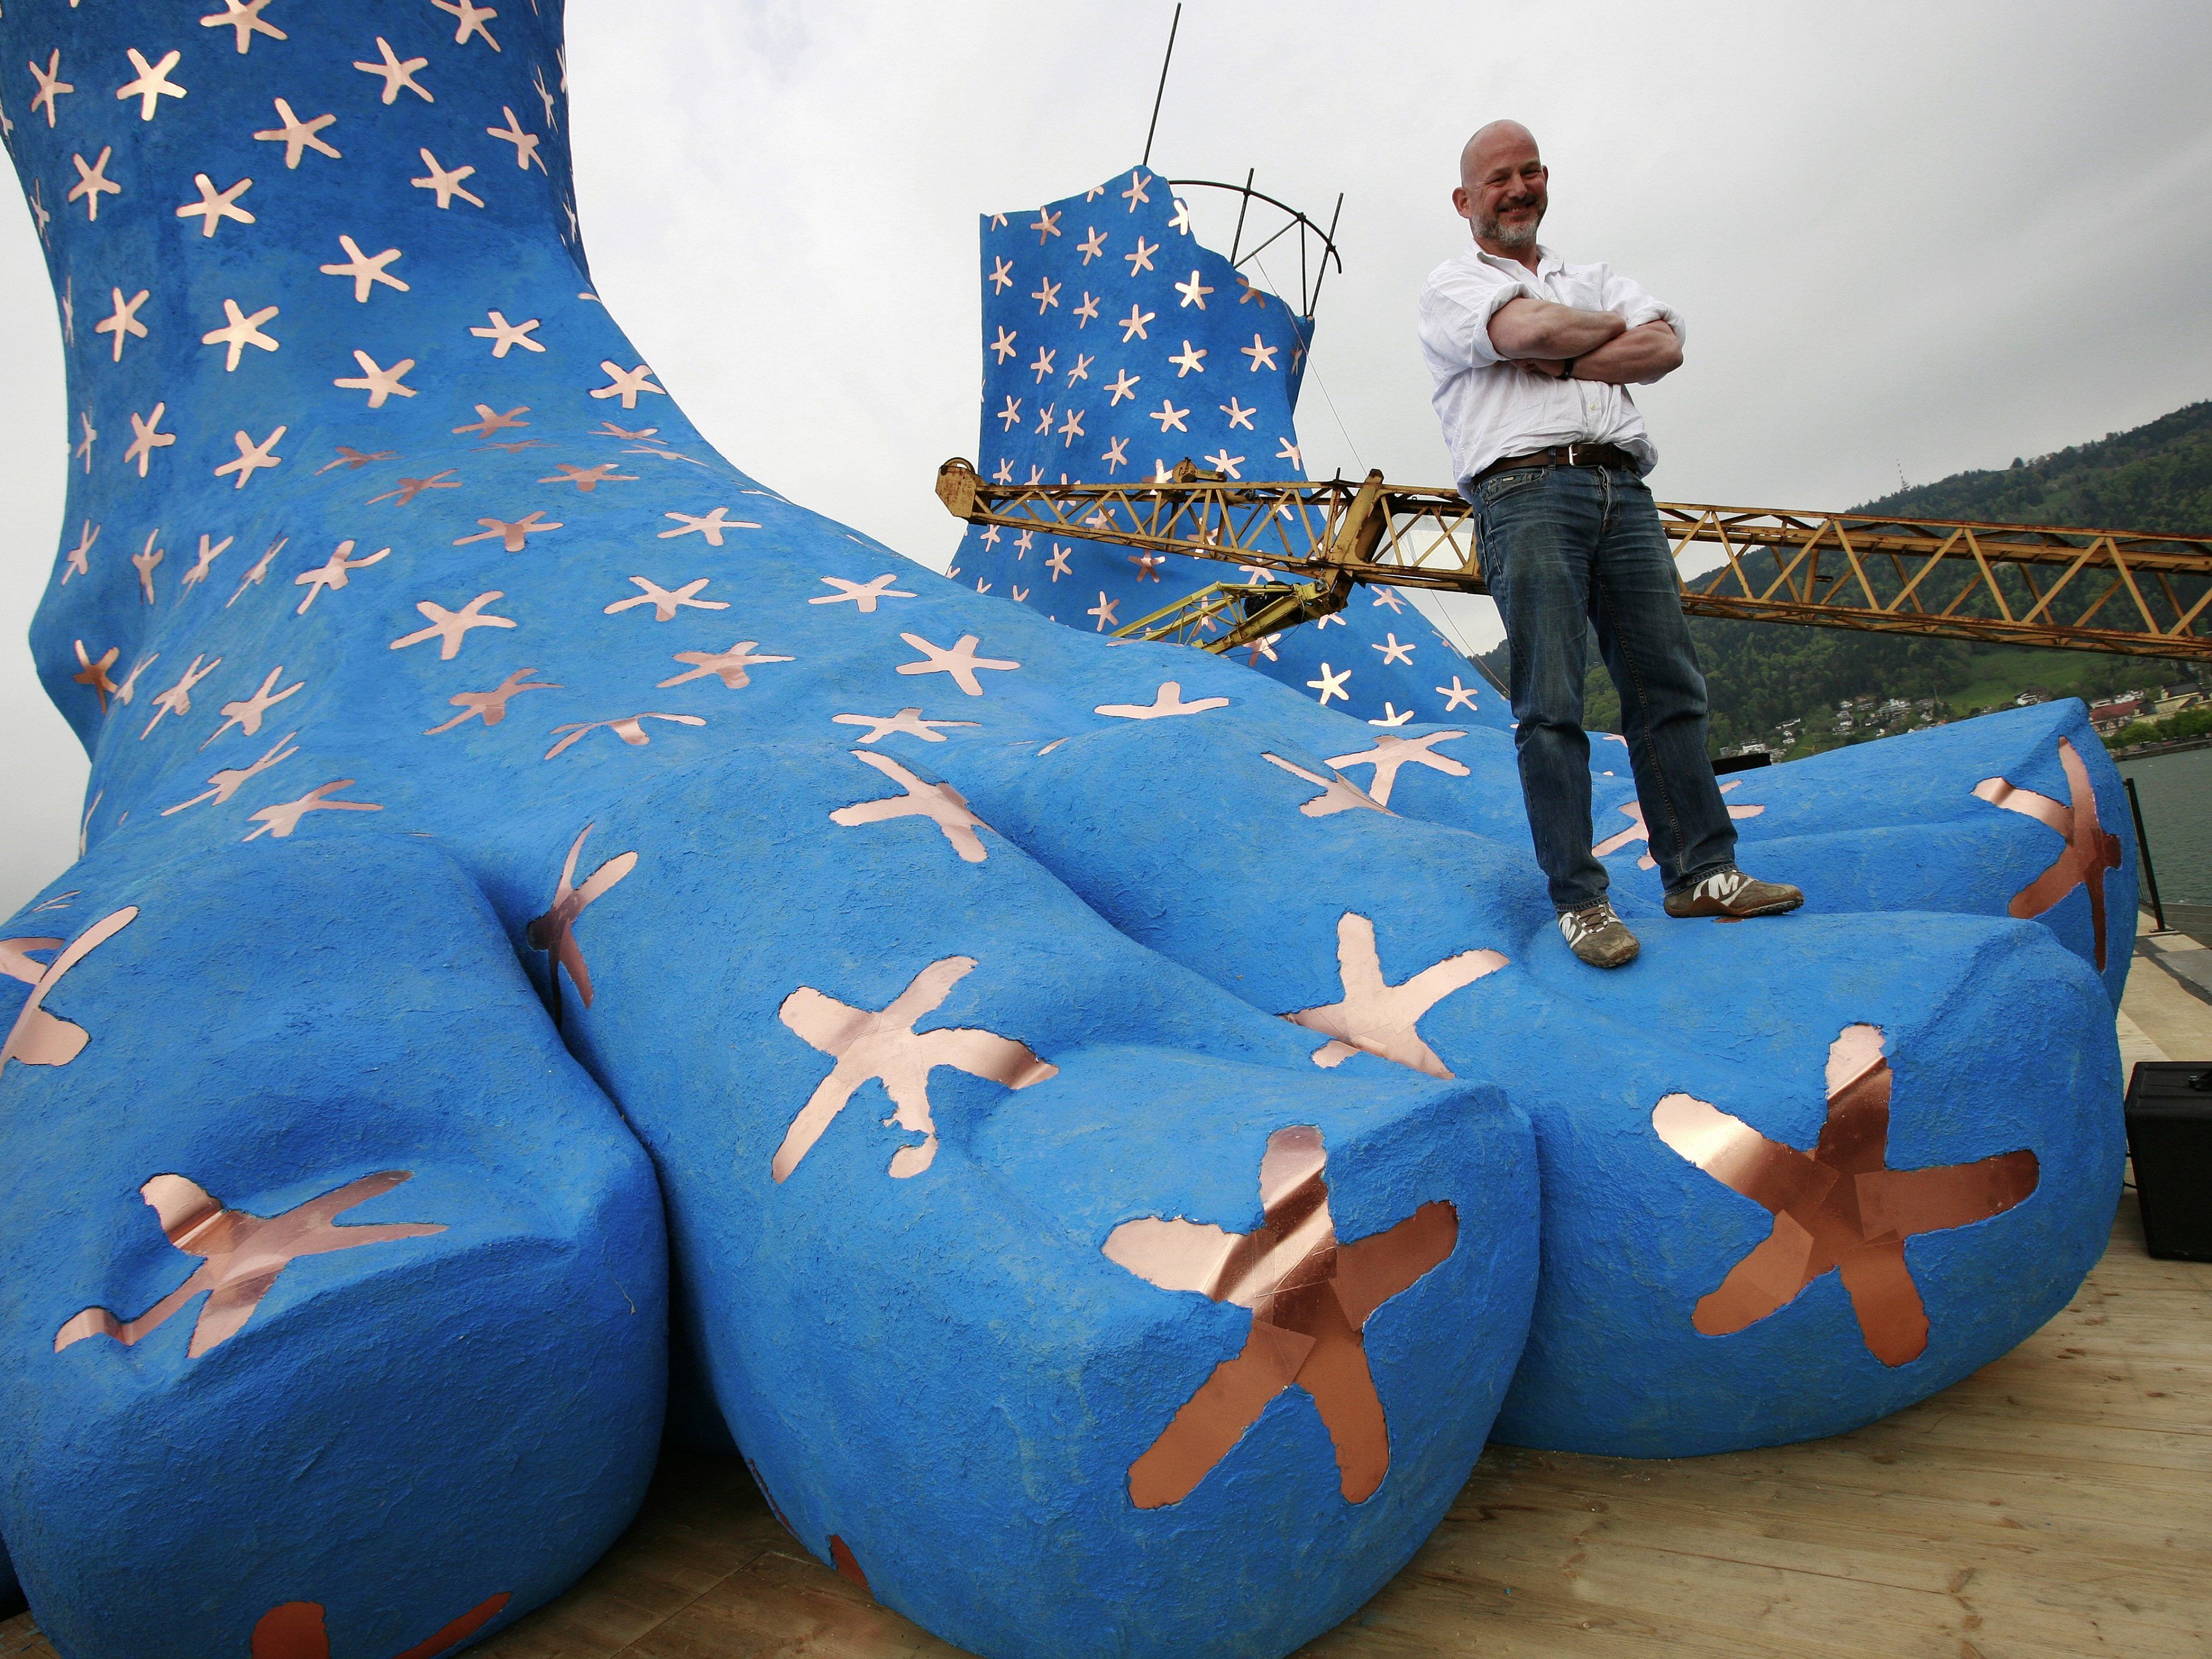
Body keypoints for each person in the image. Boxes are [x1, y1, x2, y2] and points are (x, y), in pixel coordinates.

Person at [1417, 120, 1802, 968]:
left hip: (1619, 489)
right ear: (1464, 200)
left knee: (1668, 684)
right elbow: (1520, 335)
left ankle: (1701, 872)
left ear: (1544, 178)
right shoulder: (1450, 284)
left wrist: (1561, 355)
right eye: (1496, 180)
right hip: (1521, 492)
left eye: (1528, 173)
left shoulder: (1585, 276)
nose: (1516, 189)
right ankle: (1581, 902)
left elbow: (1660, 347)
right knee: (1550, 702)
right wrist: (1584, 341)